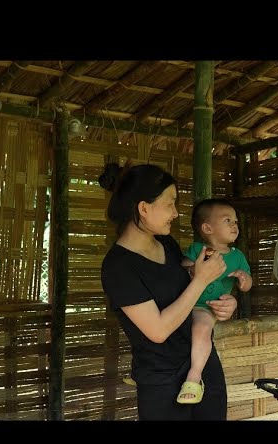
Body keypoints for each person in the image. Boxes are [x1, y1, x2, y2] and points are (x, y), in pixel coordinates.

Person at [99, 162, 238, 421]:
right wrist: (200, 281)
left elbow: (190, 296)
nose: (176, 213)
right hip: (161, 381)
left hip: (202, 368)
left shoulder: (167, 244)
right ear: (143, 208)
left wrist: (223, 303)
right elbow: (158, 331)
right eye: (170, 203)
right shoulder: (118, 266)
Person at [178, 199, 252, 404]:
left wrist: (244, 280)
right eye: (227, 220)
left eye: (235, 221)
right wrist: (193, 269)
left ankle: (194, 376)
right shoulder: (197, 249)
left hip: (208, 306)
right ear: (207, 228)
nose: (235, 225)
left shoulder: (237, 257)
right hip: (186, 302)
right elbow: (182, 270)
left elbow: (247, 284)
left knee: (202, 328)